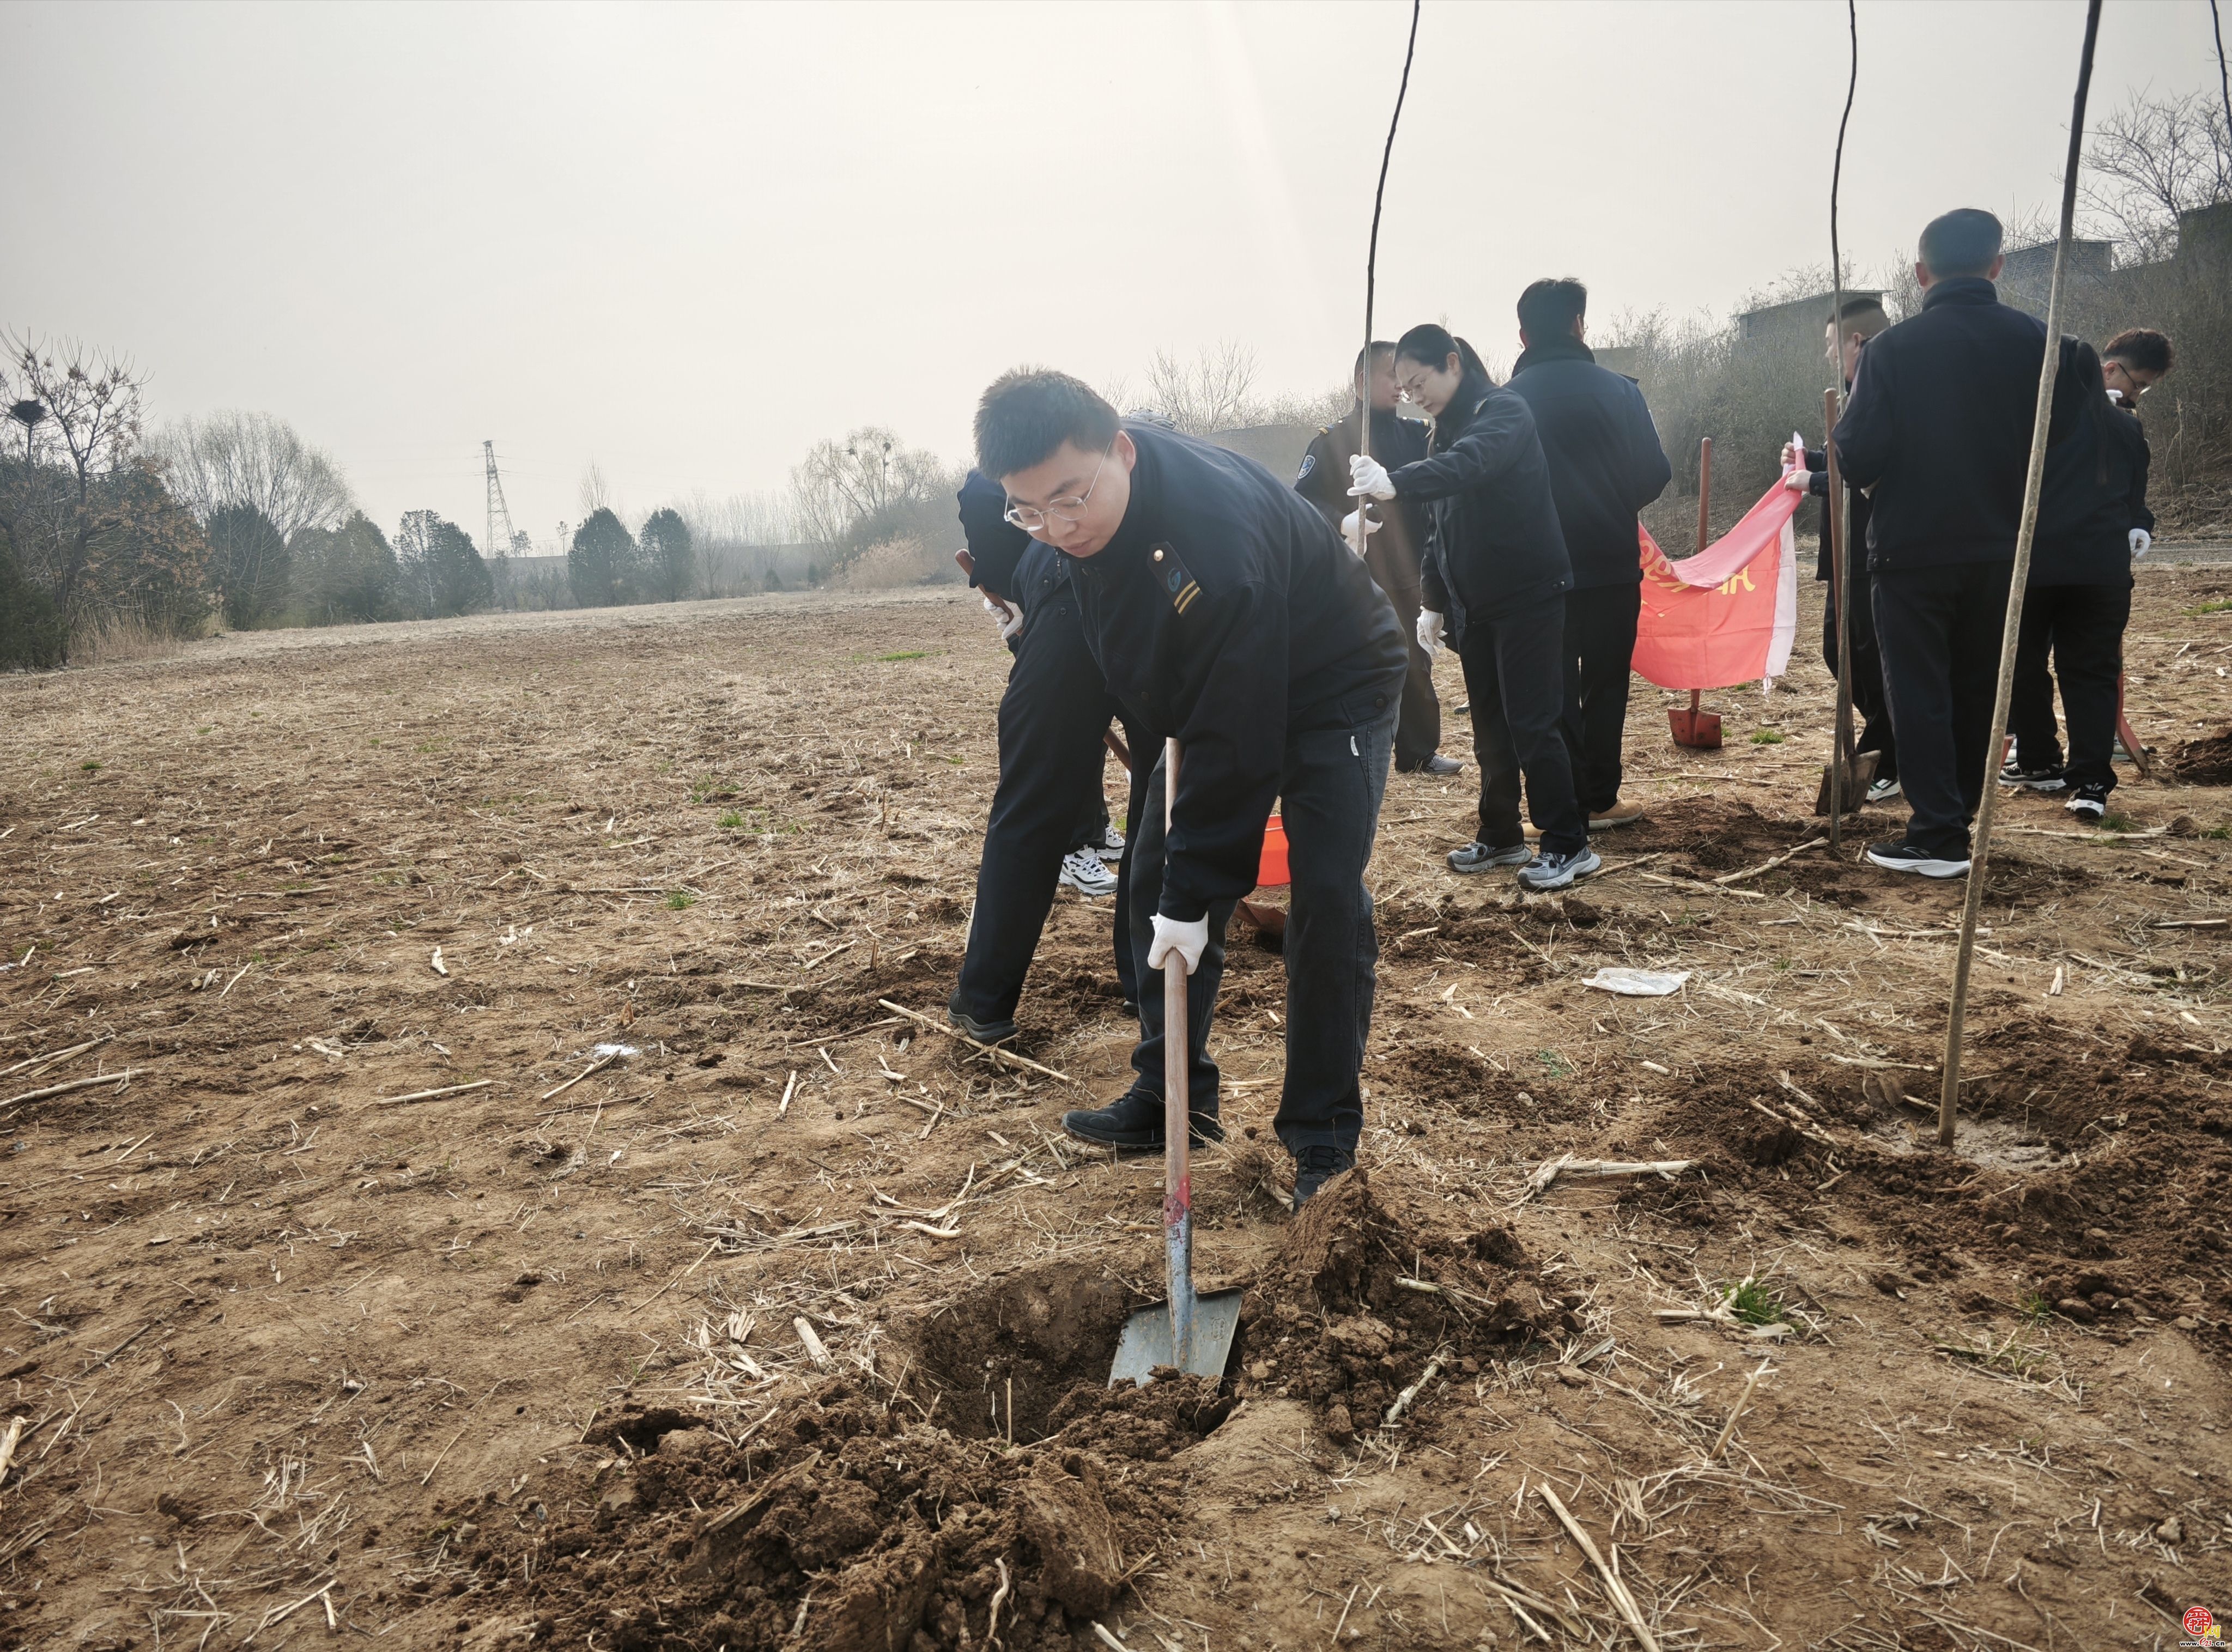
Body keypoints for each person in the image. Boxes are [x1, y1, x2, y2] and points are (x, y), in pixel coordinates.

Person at [974, 369, 1407, 1209]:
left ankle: (1321, 1136)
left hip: (1335, 680)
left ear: (1121, 452)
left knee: (1324, 894)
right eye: (1029, 510)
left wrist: (1200, 887)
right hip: (1213, 689)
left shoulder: (1216, 541)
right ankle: (1171, 1094)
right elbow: (1120, 649)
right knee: (1150, 877)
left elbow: (1238, 737)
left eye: (1070, 500)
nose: (1056, 527)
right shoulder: (1075, 519)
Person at [1832, 207, 2086, 879]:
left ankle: (1938, 832)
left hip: (1911, 550)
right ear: (1997, 265)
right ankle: (1960, 812)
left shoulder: (1892, 351)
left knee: (1918, 686)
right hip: (2004, 546)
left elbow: (1855, 457)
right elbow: (2062, 444)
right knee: (1980, 682)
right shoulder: (2043, 342)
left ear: (1920, 274)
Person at [1349, 324, 1597, 891]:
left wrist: (1393, 481)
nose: (1415, 396)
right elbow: (1441, 526)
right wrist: (1432, 602)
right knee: (1489, 725)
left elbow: (1472, 465)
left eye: (1419, 382)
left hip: (1528, 593)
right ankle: (1502, 831)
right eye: (1406, 389)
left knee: (1533, 721)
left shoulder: (1502, 413)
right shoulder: (1443, 435)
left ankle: (1568, 842)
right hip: (1476, 603)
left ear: (1453, 362)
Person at [946, 470, 1142, 1046]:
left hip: (1065, 601)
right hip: (1131, 599)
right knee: (1158, 799)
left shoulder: (1009, 475)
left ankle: (983, 1000)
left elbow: (981, 494)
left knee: (1030, 803)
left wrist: (1011, 593)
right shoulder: (1139, 464)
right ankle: (1148, 982)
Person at [1505, 277, 1672, 830]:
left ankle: (1561, 802)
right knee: (1605, 682)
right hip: (1608, 565)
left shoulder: (1504, 405)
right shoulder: (1620, 392)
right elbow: (1654, 473)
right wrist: (1609, 504)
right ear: (1580, 324)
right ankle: (1601, 796)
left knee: (1549, 688)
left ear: (1523, 335)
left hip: (1534, 572)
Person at [2003, 339, 2154, 821]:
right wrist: (2140, 529)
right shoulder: (2126, 429)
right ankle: (2090, 782)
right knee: (2090, 672)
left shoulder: (2027, 426)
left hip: (2035, 569)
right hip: (2101, 572)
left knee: (2022, 664)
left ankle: (2038, 758)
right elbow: (2135, 504)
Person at [1294, 342, 1460, 776]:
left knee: (1414, 662)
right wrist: (1342, 522)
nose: (1403, 387)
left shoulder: (1415, 436)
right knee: (1352, 664)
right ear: (1364, 382)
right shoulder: (1331, 442)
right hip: (1352, 573)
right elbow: (1302, 505)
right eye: (1393, 376)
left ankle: (1418, 751)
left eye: (1407, 378)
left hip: (1408, 569)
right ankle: (1348, 751)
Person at [1782, 295, 1899, 804]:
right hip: (1848, 551)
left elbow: (1869, 468)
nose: (1830, 355)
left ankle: (1888, 756)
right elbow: (1849, 454)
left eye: (1833, 344)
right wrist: (1811, 457)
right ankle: (1889, 744)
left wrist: (1813, 479)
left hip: (1873, 548)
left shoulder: (1887, 384)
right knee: (1842, 651)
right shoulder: (1860, 390)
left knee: (1868, 657)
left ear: (1856, 341)